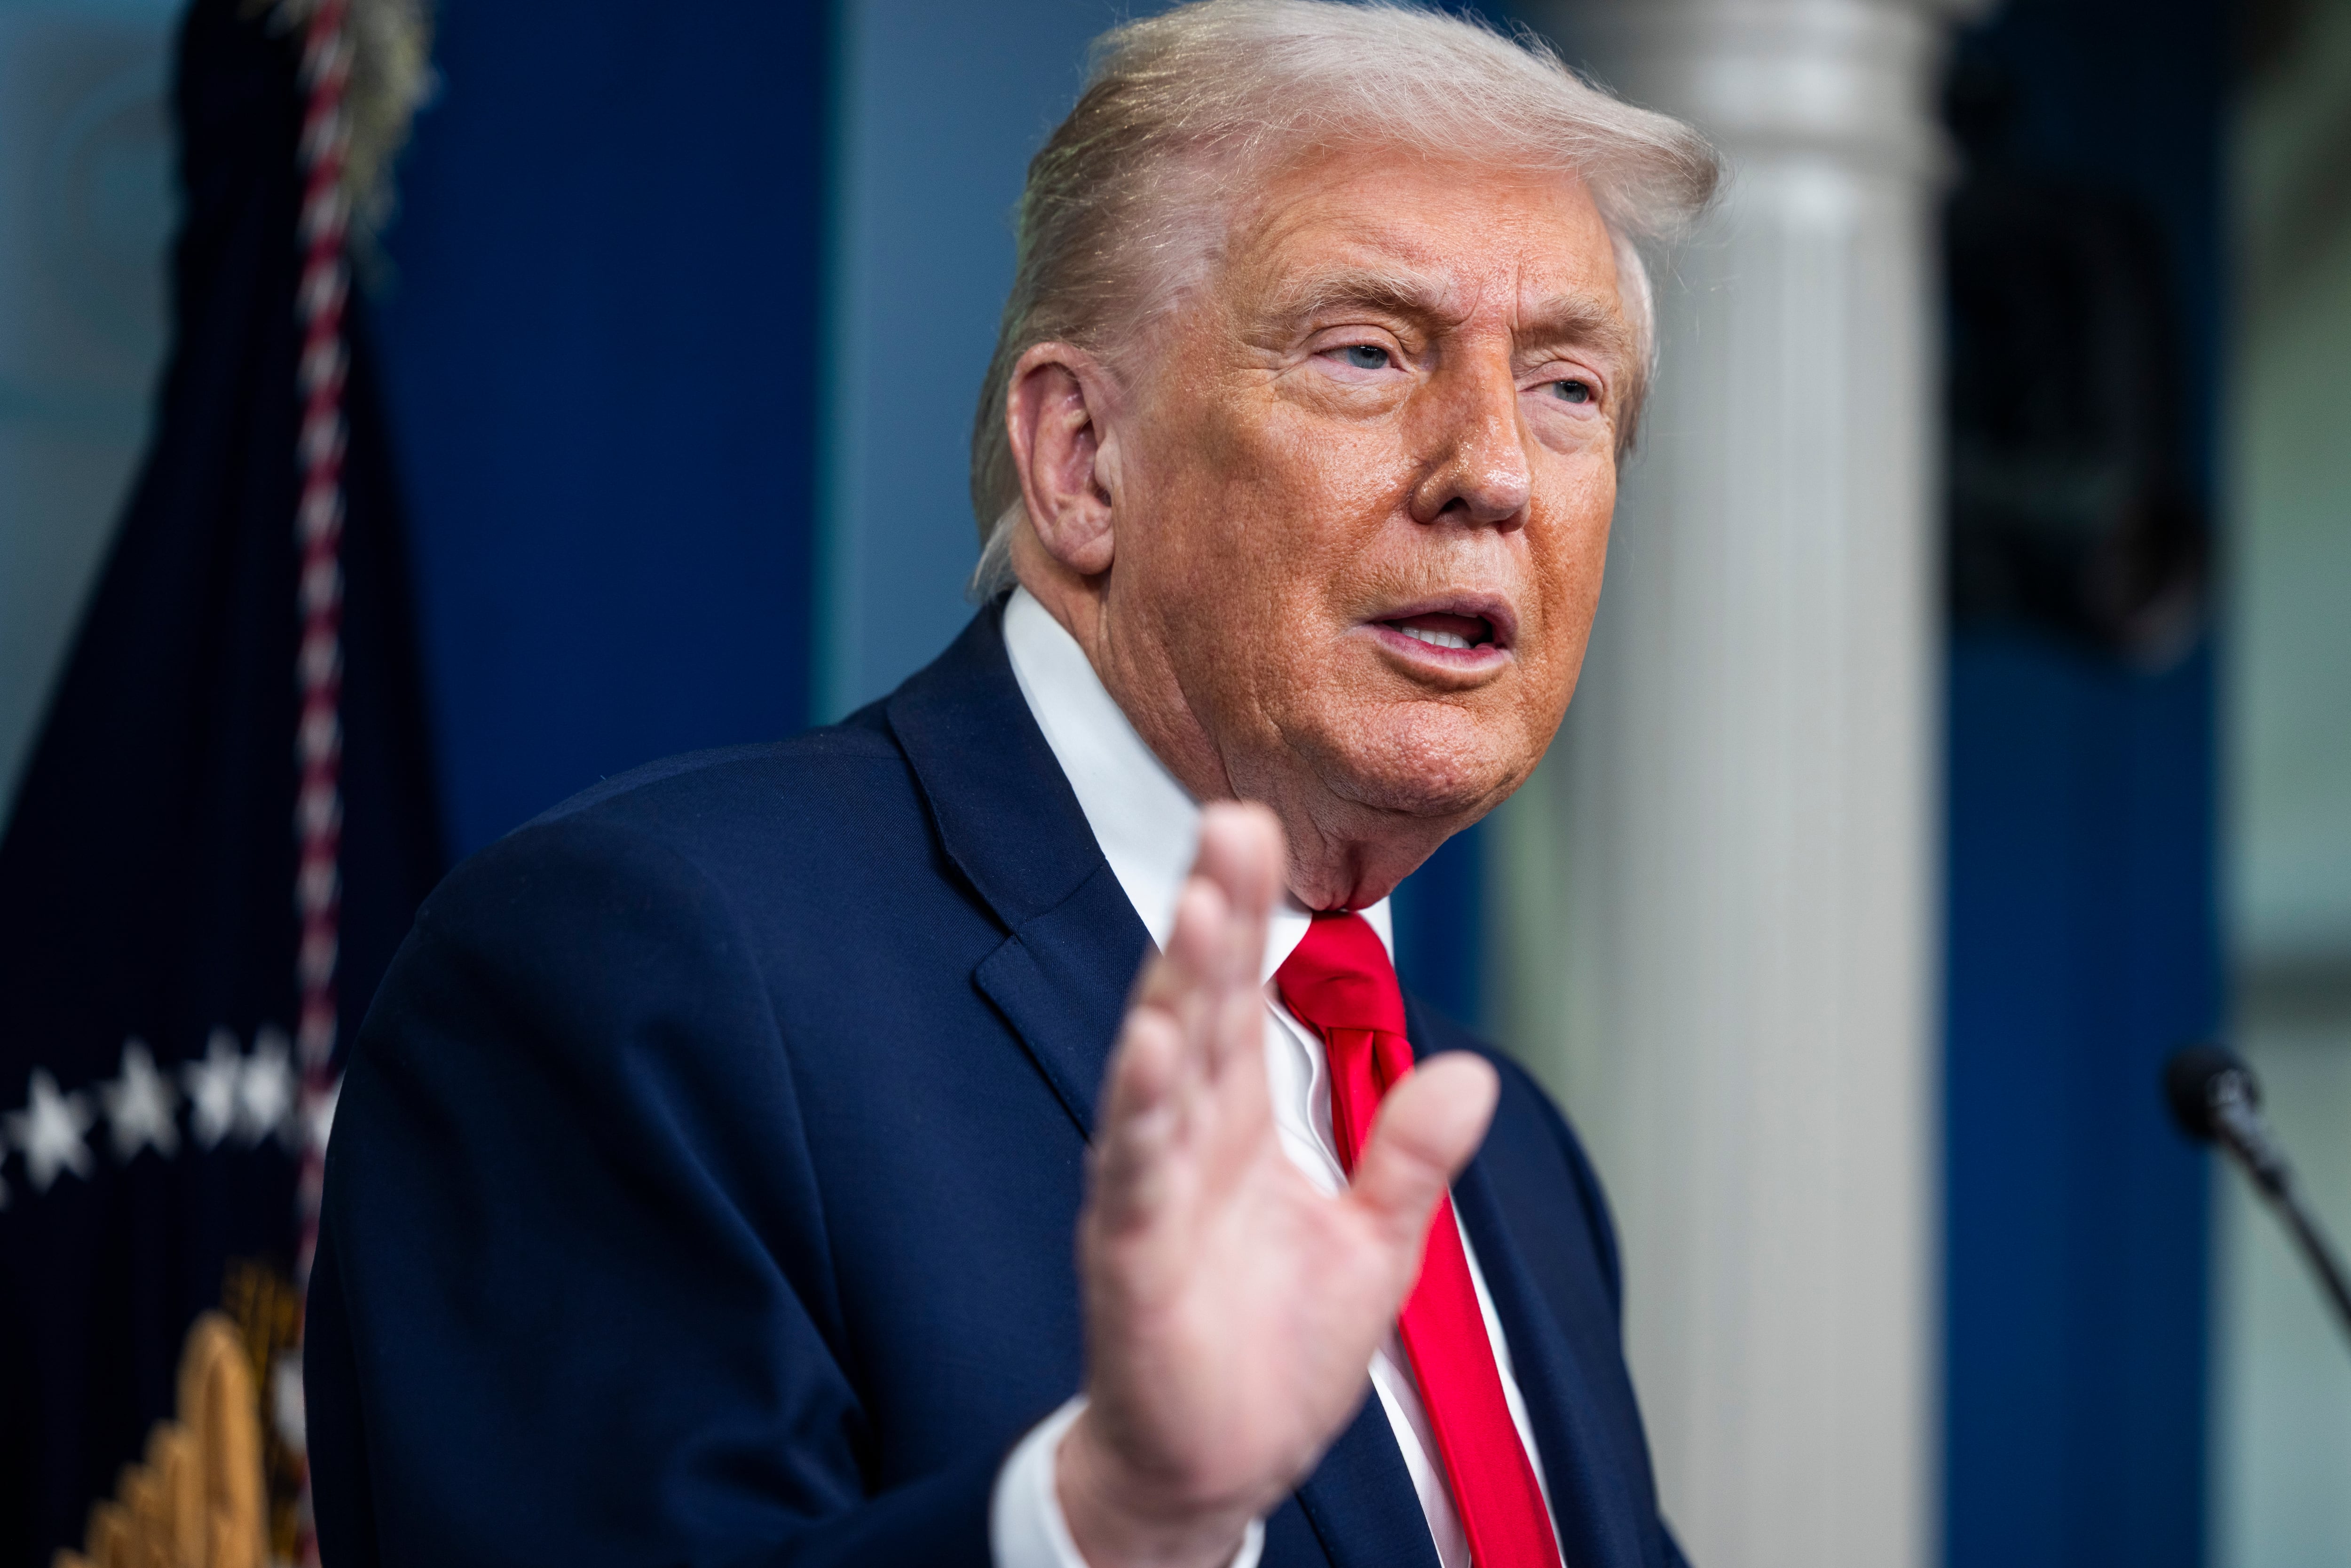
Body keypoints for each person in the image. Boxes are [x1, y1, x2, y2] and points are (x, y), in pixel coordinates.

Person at [304, 4, 1720, 1566]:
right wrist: (1105, 1526)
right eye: (1368, 350)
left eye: (1570, 388)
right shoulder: (640, 971)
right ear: (1082, 462)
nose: (1496, 472)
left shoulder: (1508, 1159)